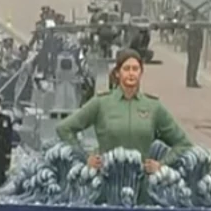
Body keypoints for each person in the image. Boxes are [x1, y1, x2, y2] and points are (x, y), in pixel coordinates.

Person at [55, 49, 192, 170]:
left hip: (142, 189)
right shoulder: (101, 103)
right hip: (106, 186)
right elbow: (64, 128)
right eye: (126, 69)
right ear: (117, 73)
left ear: (141, 72)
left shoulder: (153, 106)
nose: (131, 73)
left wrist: (162, 165)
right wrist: (84, 158)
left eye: (135, 69)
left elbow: (183, 144)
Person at [185, 20, 203, 88]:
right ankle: (192, 81)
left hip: (191, 45)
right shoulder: (196, 25)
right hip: (195, 45)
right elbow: (199, 36)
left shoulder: (190, 24)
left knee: (190, 63)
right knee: (194, 63)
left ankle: (189, 80)